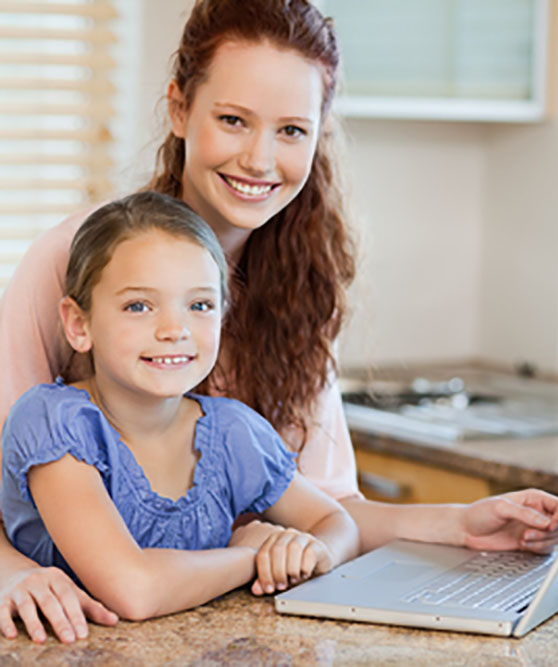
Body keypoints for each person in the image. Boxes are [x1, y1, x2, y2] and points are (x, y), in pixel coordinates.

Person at [0, 0, 558, 644]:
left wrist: (461, 525)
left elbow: (329, 508)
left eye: (292, 130)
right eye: (234, 120)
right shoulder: (75, 260)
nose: (259, 159)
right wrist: (8, 570)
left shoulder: (299, 288)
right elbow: (20, 463)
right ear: (180, 108)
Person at [2, 191, 361, 622]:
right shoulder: (55, 425)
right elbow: (133, 590)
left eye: (199, 305)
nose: (174, 329)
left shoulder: (232, 432)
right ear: (79, 325)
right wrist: (248, 556)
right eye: (138, 305)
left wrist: (311, 552)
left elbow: (337, 523)